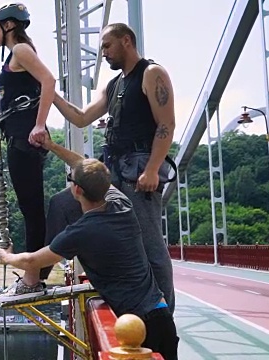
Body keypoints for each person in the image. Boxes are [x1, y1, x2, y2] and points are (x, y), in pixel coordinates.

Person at [0, 138, 179, 360]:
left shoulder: (80, 233)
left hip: (136, 329)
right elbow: (86, 165)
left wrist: (7, 256)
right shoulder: (122, 205)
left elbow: (32, 261)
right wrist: (52, 147)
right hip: (161, 315)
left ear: (76, 190)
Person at [51, 23, 176, 314]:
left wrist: (153, 169)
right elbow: (81, 118)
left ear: (126, 41)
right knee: (65, 204)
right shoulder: (114, 84)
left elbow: (166, 124)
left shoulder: (151, 74)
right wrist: (50, 93)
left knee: (148, 241)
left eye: (107, 46)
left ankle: (163, 314)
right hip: (113, 170)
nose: (103, 53)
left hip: (139, 168)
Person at [0, 3, 56, 292]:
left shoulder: (20, 51)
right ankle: (36, 274)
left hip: (24, 142)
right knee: (30, 209)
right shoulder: (19, 53)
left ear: (8, 26)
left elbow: (49, 80)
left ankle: (33, 278)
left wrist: (39, 125)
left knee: (31, 210)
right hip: (19, 140)